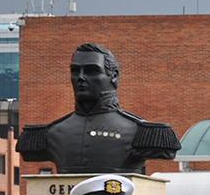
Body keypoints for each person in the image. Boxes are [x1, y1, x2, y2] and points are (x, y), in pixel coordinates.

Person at [16, 42, 179, 174]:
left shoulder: (143, 133)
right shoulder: (48, 134)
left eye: (91, 71)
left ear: (113, 76)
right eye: (75, 71)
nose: (80, 77)